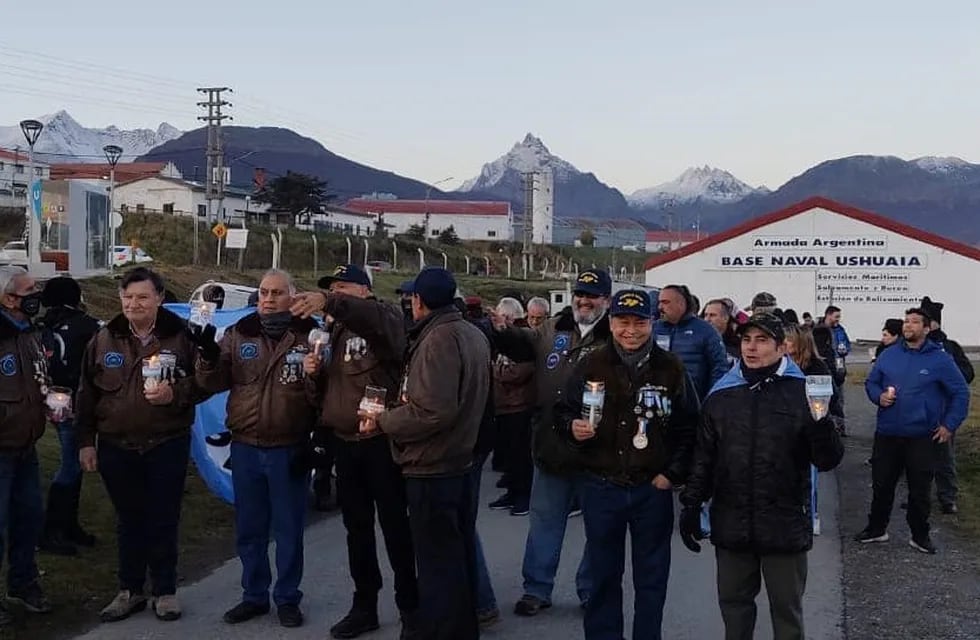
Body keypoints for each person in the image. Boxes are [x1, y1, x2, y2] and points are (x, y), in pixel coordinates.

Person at [679, 313, 843, 640]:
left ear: (783, 347)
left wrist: (821, 425)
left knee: (786, 612)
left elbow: (827, 460)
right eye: (746, 340)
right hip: (732, 522)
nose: (751, 348)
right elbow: (705, 458)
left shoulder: (803, 392)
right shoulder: (722, 396)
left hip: (783, 523)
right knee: (734, 607)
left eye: (762, 340)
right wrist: (691, 504)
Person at [558, 289, 698, 640]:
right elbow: (561, 412)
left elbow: (690, 428)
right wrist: (571, 428)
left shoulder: (671, 368)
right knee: (603, 578)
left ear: (652, 322)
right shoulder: (591, 363)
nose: (630, 331)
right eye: (623, 322)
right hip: (600, 486)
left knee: (651, 580)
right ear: (611, 321)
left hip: (651, 489)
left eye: (640, 322)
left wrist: (672, 474)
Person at [359, 267, 490, 640]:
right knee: (456, 556)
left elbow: (433, 410)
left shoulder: (438, 340)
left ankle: (444, 632)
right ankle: (462, 629)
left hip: (434, 465)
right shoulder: (470, 332)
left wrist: (384, 421)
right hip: (459, 461)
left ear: (418, 301)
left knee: (437, 566)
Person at [290, 264, 419, 639]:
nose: (336, 294)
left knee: (396, 527)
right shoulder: (333, 330)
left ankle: (410, 606)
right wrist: (314, 374)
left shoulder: (384, 317)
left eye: (343, 287)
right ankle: (364, 605)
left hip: (380, 441)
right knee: (356, 530)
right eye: (332, 289)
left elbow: (376, 321)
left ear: (364, 290)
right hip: (344, 441)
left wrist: (331, 301)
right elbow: (324, 395)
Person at [76, 267, 209, 623]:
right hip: (116, 446)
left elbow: (207, 381)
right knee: (128, 520)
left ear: (160, 298)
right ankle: (130, 590)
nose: (133, 304)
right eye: (128, 297)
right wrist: (86, 442)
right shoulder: (103, 339)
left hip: (166, 442)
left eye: (142, 297)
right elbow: (85, 395)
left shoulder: (182, 336)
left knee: (163, 518)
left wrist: (176, 393)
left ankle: (165, 591)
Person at [193, 269, 318, 628]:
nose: (268, 298)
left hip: (288, 447)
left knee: (289, 528)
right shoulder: (239, 332)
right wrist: (206, 354)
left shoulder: (308, 335)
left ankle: (288, 598)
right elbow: (213, 382)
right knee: (250, 527)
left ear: (292, 297)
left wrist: (315, 374)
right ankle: (254, 596)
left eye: (277, 292)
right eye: (263, 291)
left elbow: (319, 395)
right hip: (246, 446)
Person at [491, 270, 611, 616]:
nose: (584, 301)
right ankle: (536, 589)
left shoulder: (616, 332)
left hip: (598, 448)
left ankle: (590, 590)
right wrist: (502, 332)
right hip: (552, 441)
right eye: (580, 294)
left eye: (592, 295)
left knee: (598, 527)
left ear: (605, 298)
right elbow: (522, 345)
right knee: (545, 520)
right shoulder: (553, 328)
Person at [856, 307, 970, 553]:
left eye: (915, 322)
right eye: (906, 321)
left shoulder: (940, 359)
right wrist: (878, 397)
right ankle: (876, 529)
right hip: (888, 432)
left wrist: (950, 425)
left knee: (919, 489)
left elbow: (960, 392)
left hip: (922, 435)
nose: (908, 326)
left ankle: (919, 535)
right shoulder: (888, 355)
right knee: (882, 484)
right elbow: (872, 382)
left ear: (927, 329)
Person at [0, 266, 54, 625]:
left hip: (27, 449)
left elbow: (37, 379)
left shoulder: (31, 333)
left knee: (29, 520)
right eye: (29, 291)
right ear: (9, 298)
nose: (36, 296)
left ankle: (22, 583)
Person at [37, 276, 102, 556]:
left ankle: (67, 525)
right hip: (78, 400)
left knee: (72, 461)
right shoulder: (87, 326)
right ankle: (52, 530)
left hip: (51, 398)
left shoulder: (42, 326)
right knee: (70, 464)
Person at [920, 296, 973, 515]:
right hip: (918, 412)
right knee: (917, 460)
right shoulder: (913, 347)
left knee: (945, 458)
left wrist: (944, 376)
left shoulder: (949, 348)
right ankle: (919, 496)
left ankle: (947, 497)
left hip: (943, 412)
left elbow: (967, 375)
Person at [488, 297, 536, 516]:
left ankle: (524, 496)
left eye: (507, 317)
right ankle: (511, 492)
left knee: (521, 455)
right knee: (508, 454)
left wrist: (495, 372)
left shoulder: (524, 338)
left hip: (520, 405)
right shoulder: (500, 339)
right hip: (503, 405)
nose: (503, 321)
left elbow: (519, 372)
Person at [656, 285, 729, 400]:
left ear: (681, 303)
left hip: (694, 403)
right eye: (659, 302)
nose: (660, 307)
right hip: (659, 402)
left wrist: (712, 399)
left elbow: (720, 367)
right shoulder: (654, 329)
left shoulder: (706, 331)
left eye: (665, 302)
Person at [702, 298, 740, 364]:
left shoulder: (738, 345)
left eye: (712, 315)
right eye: (705, 315)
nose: (707, 319)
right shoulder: (697, 342)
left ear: (725, 318)